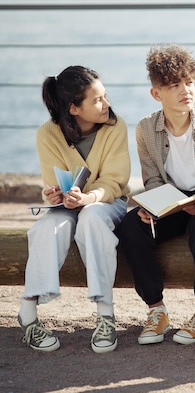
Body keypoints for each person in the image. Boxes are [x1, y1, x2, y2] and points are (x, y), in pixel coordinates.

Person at [116, 44, 195, 346]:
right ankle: (156, 310)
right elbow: (151, 178)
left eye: (189, 82)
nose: (185, 90)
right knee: (129, 225)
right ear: (156, 93)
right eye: (174, 85)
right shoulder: (146, 129)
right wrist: (154, 206)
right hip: (171, 202)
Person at [18, 66, 131, 353]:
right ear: (73, 108)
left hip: (107, 204)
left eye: (105, 96)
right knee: (45, 228)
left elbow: (114, 182)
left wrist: (88, 198)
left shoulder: (115, 126)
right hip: (68, 207)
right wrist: (54, 194)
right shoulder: (47, 133)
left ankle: (105, 315)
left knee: (92, 219)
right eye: (97, 100)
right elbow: (53, 182)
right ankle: (28, 316)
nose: (106, 104)